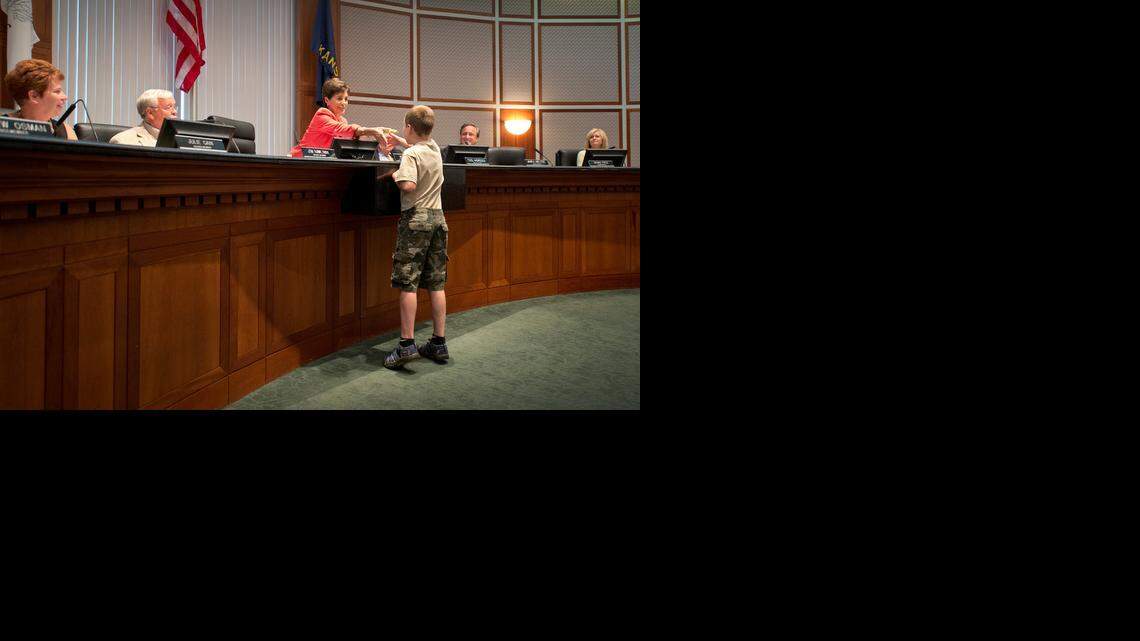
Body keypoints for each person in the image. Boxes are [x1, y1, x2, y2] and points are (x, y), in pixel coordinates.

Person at [381, 105, 449, 369]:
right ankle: (438, 342)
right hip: (438, 218)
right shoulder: (434, 150)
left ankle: (406, 345)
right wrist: (402, 142)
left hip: (416, 219)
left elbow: (408, 185)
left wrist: (396, 173)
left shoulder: (410, 154)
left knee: (407, 281)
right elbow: (423, 146)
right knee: (435, 282)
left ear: (409, 126)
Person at [290, 77, 387, 157]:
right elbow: (343, 129)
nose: (344, 103)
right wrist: (371, 131)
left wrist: (378, 137)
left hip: (322, 164)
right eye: (339, 98)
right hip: (298, 162)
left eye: (346, 99)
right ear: (327, 100)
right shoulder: (322, 114)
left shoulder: (342, 121)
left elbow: (350, 141)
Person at [1, 59, 77, 140]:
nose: (65, 97)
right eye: (57, 91)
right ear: (34, 96)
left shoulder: (66, 132)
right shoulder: (2, 127)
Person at [109, 89, 176, 146]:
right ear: (150, 113)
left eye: (174, 107)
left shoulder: (181, 139)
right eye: (168, 107)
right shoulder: (123, 141)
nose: (174, 112)